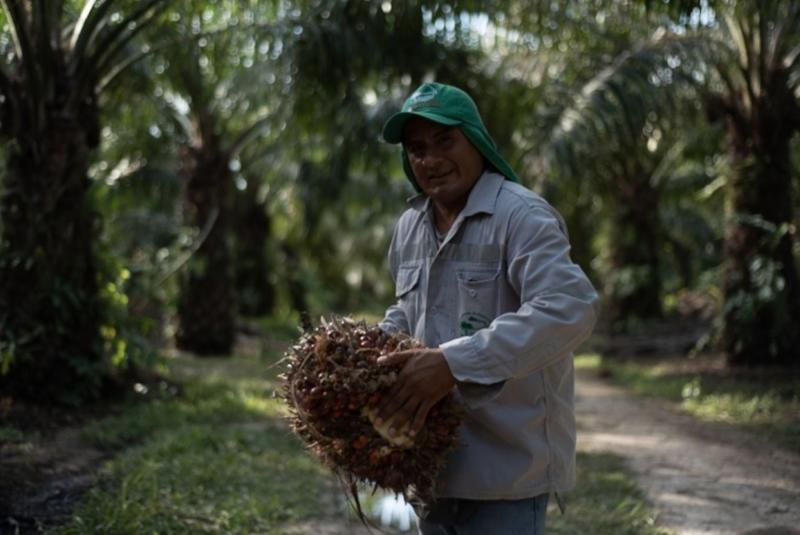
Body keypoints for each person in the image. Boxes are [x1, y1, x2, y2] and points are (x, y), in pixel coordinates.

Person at [374, 82, 598, 535]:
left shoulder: (522, 216)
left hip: (507, 471)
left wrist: (453, 364)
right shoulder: (410, 226)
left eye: (445, 141)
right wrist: (367, 356)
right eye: (416, 149)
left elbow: (569, 308)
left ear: (475, 140)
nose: (431, 160)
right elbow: (409, 311)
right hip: (432, 468)